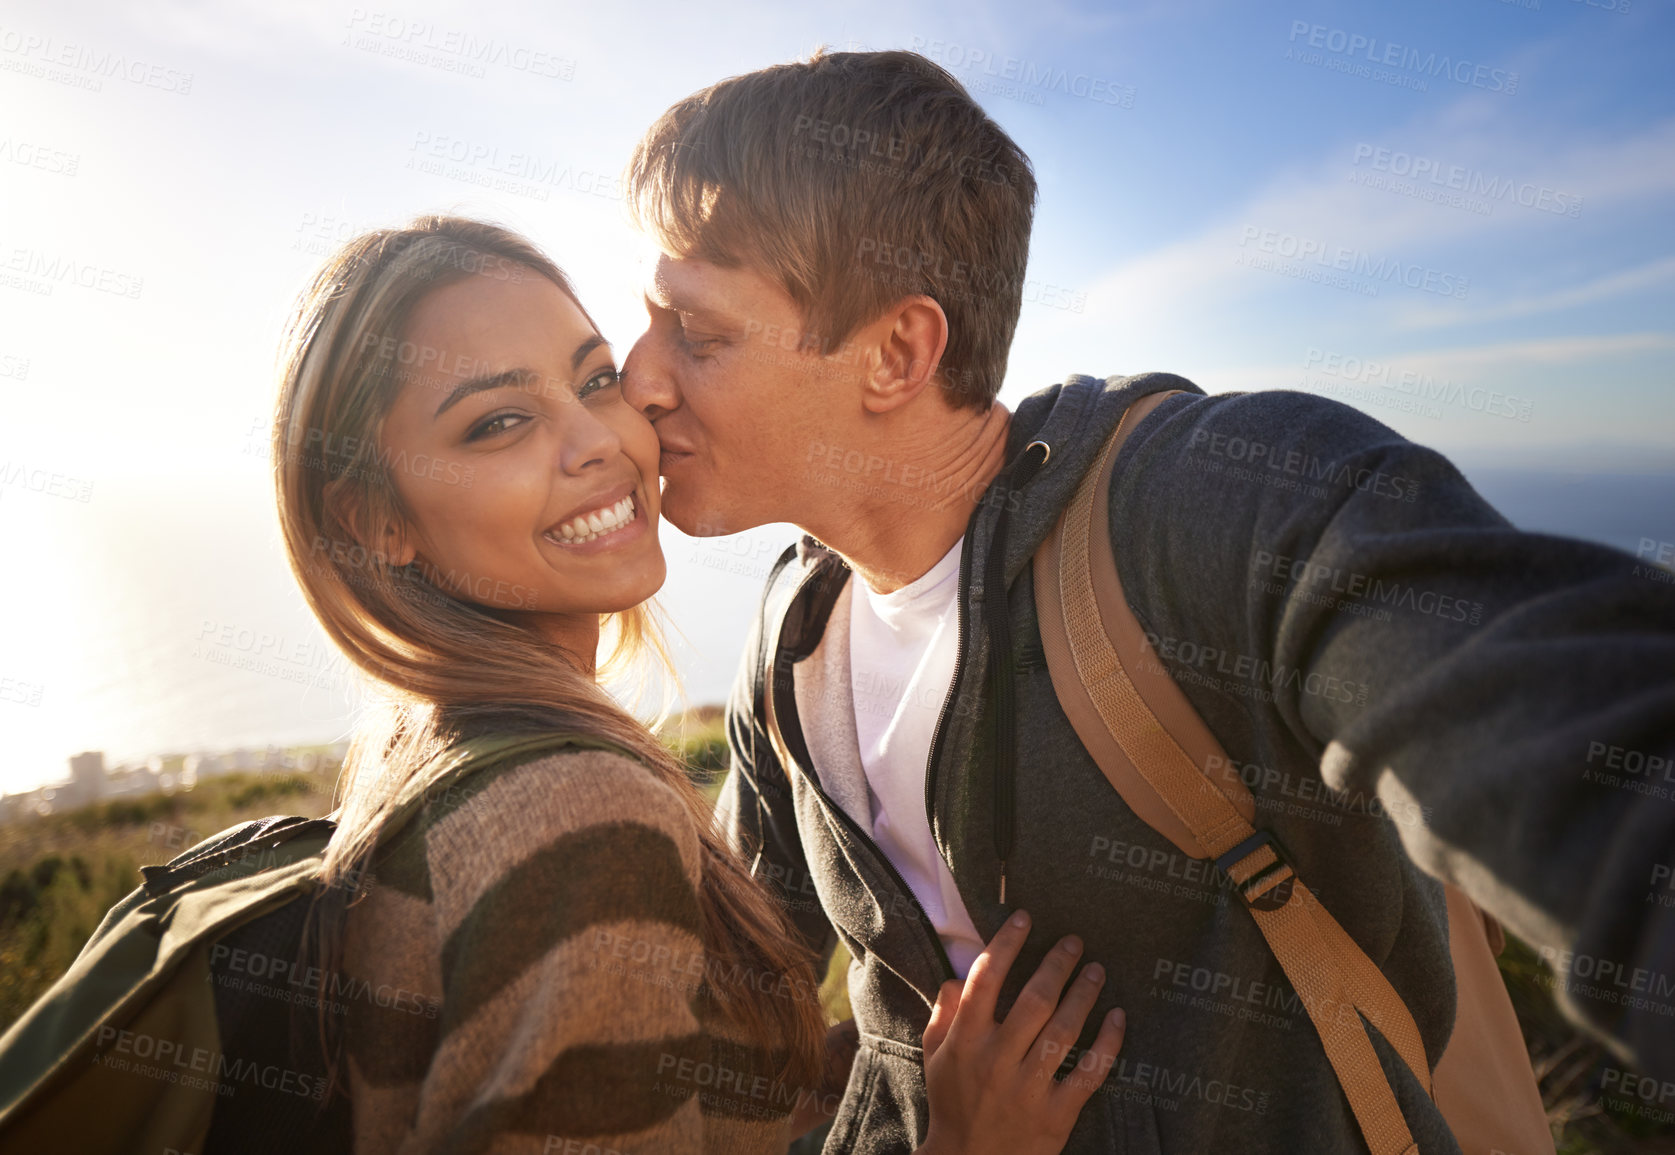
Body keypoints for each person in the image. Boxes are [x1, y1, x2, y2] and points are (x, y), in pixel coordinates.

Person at [617, 49, 1675, 1153]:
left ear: (898, 351)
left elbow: (1573, 737)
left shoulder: (1220, 499)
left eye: (697, 333)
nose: (638, 378)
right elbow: (729, 1028)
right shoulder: (791, 641)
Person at [268, 215, 1127, 1154]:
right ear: (374, 519)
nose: (598, 438)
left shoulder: (422, 747)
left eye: (595, 379)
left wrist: (872, 1066)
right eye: (499, 422)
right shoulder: (572, 809)